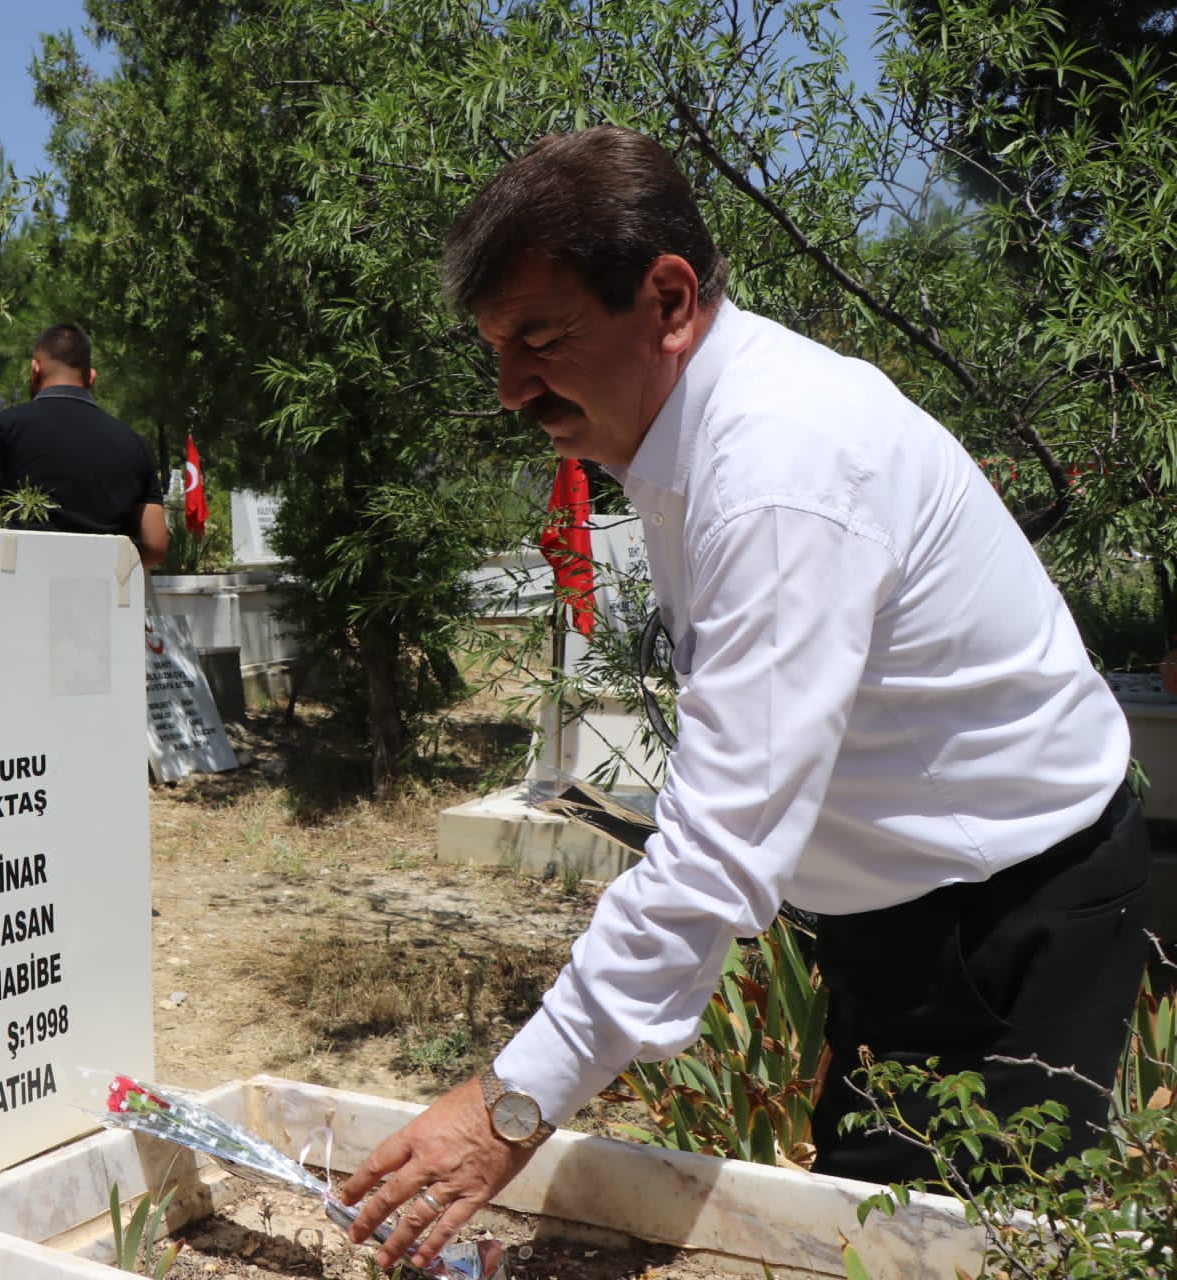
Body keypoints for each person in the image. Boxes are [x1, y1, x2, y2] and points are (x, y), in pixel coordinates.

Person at [341, 125, 1151, 1269]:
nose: (512, 387)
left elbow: (718, 847)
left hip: (1013, 912)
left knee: (956, 1248)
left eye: (541, 340)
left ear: (669, 300)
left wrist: (506, 1109)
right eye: (497, 348)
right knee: (867, 1220)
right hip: (903, 911)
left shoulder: (778, 468)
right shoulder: (688, 437)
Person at [0, 324, 168, 566]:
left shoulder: (2, 429)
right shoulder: (136, 445)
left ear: (35, 369)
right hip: (103, 586)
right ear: (91, 377)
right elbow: (155, 545)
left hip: (24, 582)